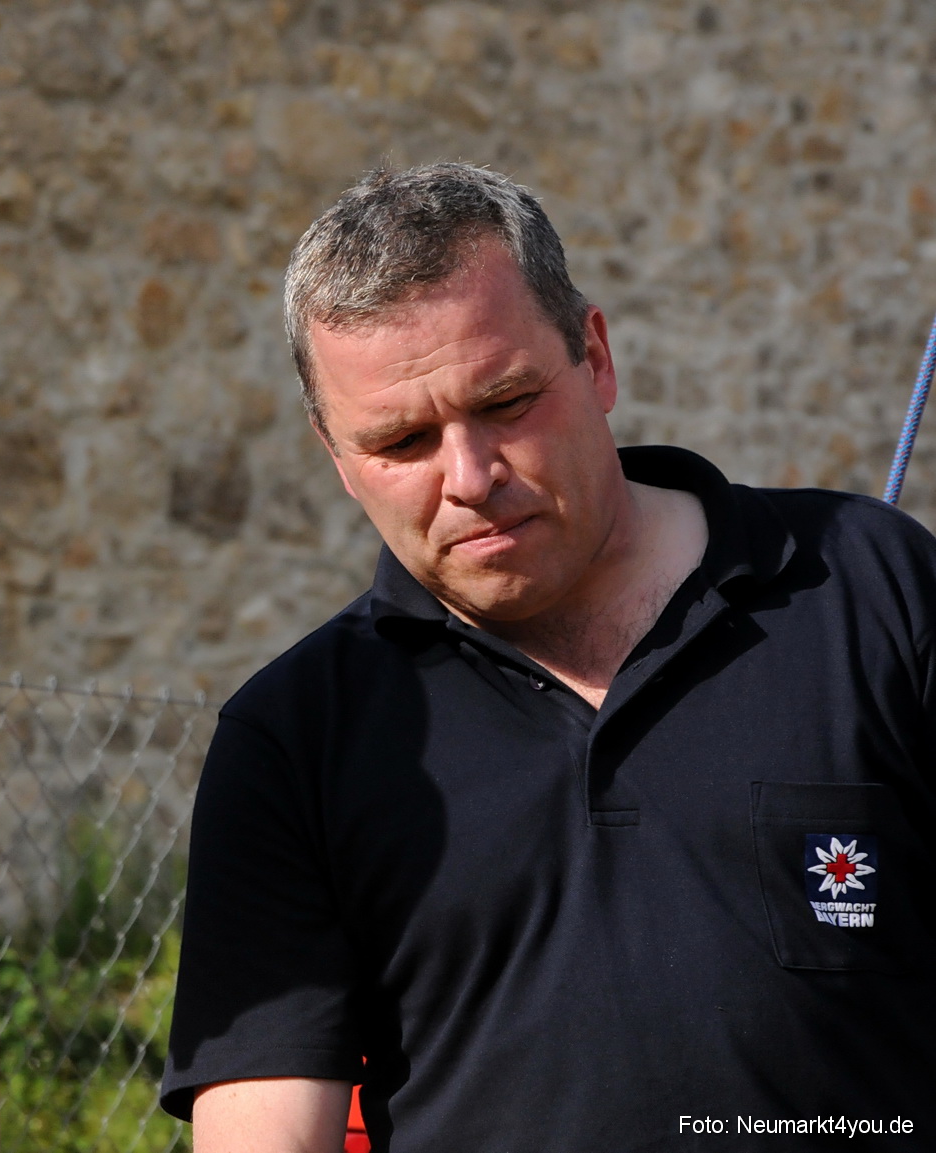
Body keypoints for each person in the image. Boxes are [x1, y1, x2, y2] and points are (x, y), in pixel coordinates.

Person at [162, 163, 934, 1150]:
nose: (471, 477)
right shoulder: (294, 739)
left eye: (507, 400)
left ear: (595, 357)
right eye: (401, 441)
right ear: (335, 457)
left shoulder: (869, 589)